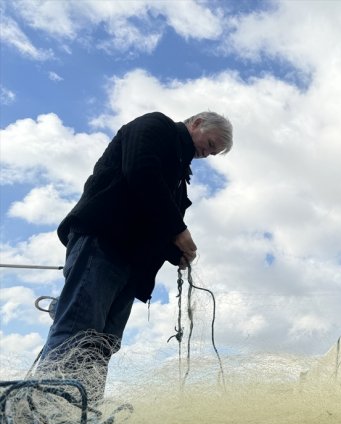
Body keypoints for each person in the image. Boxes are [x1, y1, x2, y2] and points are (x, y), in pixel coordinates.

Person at [36, 111, 233, 400]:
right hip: (103, 244)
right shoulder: (156, 126)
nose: (210, 153)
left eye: (215, 152)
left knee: (102, 344)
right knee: (78, 330)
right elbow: (140, 172)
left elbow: (150, 218)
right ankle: (42, 416)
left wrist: (172, 253)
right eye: (212, 144)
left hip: (130, 264)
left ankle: (81, 417)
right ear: (197, 124)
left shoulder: (179, 172)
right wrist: (178, 229)